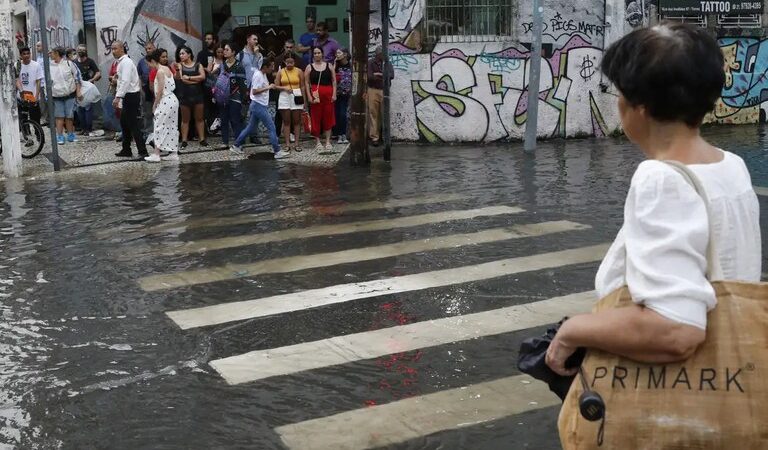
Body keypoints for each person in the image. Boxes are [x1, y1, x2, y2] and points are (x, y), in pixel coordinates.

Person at [545, 23, 761, 377]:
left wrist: (574, 330)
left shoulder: (661, 178)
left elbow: (676, 331)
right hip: (731, 370)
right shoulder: (730, 166)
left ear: (639, 106)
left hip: (678, 391)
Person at [231, 59, 288, 159]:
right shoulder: (258, 75)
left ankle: (236, 145)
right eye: (271, 66)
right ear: (265, 67)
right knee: (271, 127)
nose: (272, 68)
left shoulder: (263, 74)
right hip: (258, 105)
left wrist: (274, 86)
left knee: (250, 128)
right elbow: (255, 91)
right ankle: (277, 151)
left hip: (258, 105)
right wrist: (269, 87)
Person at [112, 40, 149, 158]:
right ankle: (126, 149)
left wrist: (118, 97)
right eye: (112, 49)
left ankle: (143, 151)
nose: (113, 51)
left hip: (131, 96)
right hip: (127, 96)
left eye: (115, 49)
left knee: (133, 124)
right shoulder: (120, 62)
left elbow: (126, 81)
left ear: (122, 49)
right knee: (124, 123)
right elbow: (123, 79)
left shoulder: (126, 62)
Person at [144, 49, 179, 163]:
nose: (150, 66)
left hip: (165, 100)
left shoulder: (159, 71)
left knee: (159, 126)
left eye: (149, 63)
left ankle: (156, 154)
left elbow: (160, 91)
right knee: (172, 126)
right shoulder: (167, 68)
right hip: (173, 99)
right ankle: (173, 152)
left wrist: (155, 104)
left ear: (153, 60)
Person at [214, 42, 247, 149]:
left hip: (235, 97)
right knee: (224, 119)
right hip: (223, 97)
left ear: (233, 52)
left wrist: (244, 99)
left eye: (227, 50)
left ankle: (239, 143)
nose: (224, 51)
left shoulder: (239, 66)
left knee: (235, 120)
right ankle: (225, 142)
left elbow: (243, 84)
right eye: (224, 49)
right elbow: (216, 80)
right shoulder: (222, 65)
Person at [174, 45, 208, 148]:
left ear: (189, 54)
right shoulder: (179, 65)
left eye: (183, 53)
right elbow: (180, 79)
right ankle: (184, 140)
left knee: (199, 118)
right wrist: (194, 80)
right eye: (180, 54)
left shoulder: (198, 65)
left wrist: (189, 77)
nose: (181, 55)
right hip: (185, 95)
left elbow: (202, 77)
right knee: (185, 120)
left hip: (197, 95)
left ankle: (202, 139)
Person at [274, 39, 306, 143]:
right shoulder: (278, 59)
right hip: (281, 92)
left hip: (296, 92)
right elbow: (273, 74)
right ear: (284, 47)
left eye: (291, 47)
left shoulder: (299, 60)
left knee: (295, 116)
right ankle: (277, 134)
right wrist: (280, 73)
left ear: (294, 47)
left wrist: (304, 99)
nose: (289, 49)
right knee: (279, 114)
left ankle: (293, 134)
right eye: (287, 47)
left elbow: (303, 79)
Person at [305, 46, 336, 151]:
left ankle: (327, 141)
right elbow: (306, 83)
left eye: (318, 53)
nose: (317, 55)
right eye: (315, 53)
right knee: (316, 118)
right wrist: (309, 96)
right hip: (315, 96)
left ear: (322, 54)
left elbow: (334, 81)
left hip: (328, 95)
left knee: (328, 117)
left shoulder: (329, 66)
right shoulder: (309, 67)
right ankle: (317, 141)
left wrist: (334, 94)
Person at [49, 47, 82, 145]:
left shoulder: (69, 64)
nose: (50, 54)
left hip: (69, 95)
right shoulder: (49, 66)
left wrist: (78, 91)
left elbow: (77, 77)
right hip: (57, 95)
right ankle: (60, 136)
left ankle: (71, 134)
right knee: (59, 116)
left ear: (57, 54)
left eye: (52, 53)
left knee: (69, 116)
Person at [238, 33, 264, 144]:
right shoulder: (240, 55)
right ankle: (242, 135)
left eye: (257, 39)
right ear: (248, 40)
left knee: (255, 112)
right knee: (242, 113)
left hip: (256, 87)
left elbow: (261, 68)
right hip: (245, 87)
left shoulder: (259, 55)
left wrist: (257, 54)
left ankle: (254, 135)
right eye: (254, 39)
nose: (256, 41)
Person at [367, 46, 393, 146]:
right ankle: (374, 137)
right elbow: (370, 76)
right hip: (373, 89)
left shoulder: (387, 63)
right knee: (373, 113)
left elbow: (391, 75)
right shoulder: (370, 62)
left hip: (384, 90)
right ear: (378, 54)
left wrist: (379, 74)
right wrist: (383, 76)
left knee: (385, 113)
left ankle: (385, 136)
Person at [74, 45, 101, 137]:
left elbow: (98, 72)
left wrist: (92, 80)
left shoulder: (90, 61)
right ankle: (83, 128)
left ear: (86, 51)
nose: (81, 51)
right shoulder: (74, 63)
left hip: (88, 88)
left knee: (88, 108)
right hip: (78, 88)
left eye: (83, 50)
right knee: (79, 109)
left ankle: (88, 129)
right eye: (79, 50)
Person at [15, 46, 43, 124]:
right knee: (23, 120)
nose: (26, 55)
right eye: (24, 54)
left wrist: (36, 96)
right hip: (21, 98)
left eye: (28, 53)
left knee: (36, 119)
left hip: (33, 97)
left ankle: (38, 135)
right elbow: (16, 79)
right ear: (21, 55)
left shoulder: (36, 65)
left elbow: (38, 81)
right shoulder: (17, 65)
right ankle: (26, 134)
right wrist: (21, 92)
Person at [137, 40, 157, 142]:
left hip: (158, 88)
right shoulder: (141, 62)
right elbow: (139, 77)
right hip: (146, 89)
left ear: (154, 47)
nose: (148, 50)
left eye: (150, 48)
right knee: (147, 112)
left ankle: (158, 133)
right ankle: (148, 134)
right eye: (146, 49)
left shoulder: (159, 59)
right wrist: (141, 90)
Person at [333, 48, 352, 144]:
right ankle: (339, 134)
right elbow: (331, 77)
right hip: (337, 93)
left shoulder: (351, 65)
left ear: (345, 54)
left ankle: (344, 133)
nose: (337, 54)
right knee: (338, 113)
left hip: (348, 94)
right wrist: (334, 63)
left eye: (339, 53)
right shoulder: (336, 65)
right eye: (336, 53)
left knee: (344, 113)